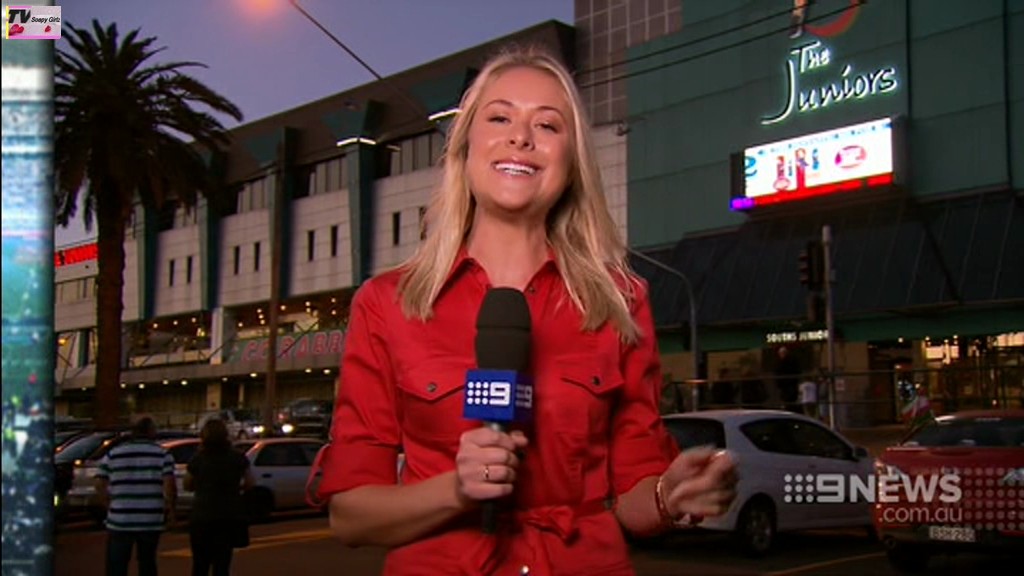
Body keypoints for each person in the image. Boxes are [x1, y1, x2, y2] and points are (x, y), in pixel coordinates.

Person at [315, 47, 737, 575]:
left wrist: (668, 497)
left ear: (572, 162)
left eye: (547, 125)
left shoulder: (621, 301)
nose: (521, 137)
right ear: (465, 147)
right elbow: (351, 517)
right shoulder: (386, 303)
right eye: (499, 118)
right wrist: (457, 490)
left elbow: (634, 496)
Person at [94, 416, 176, 576]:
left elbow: (99, 484)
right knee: (147, 562)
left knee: (117, 564)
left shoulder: (114, 454)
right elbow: (169, 485)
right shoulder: (162, 454)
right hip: (150, 519)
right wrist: (171, 509)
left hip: (120, 518)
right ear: (150, 431)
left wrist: (109, 504)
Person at [184, 418, 255, 576]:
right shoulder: (237, 457)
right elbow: (250, 482)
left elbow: (187, 484)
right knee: (222, 564)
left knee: (200, 564)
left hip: (202, 515)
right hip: (228, 515)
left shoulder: (199, 458)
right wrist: (235, 488)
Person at [774, 346, 801, 412]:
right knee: (788, 402)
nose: (781, 355)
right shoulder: (781, 362)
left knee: (789, 402)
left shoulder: (789, 362)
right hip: (786, 386)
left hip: (789, 385)